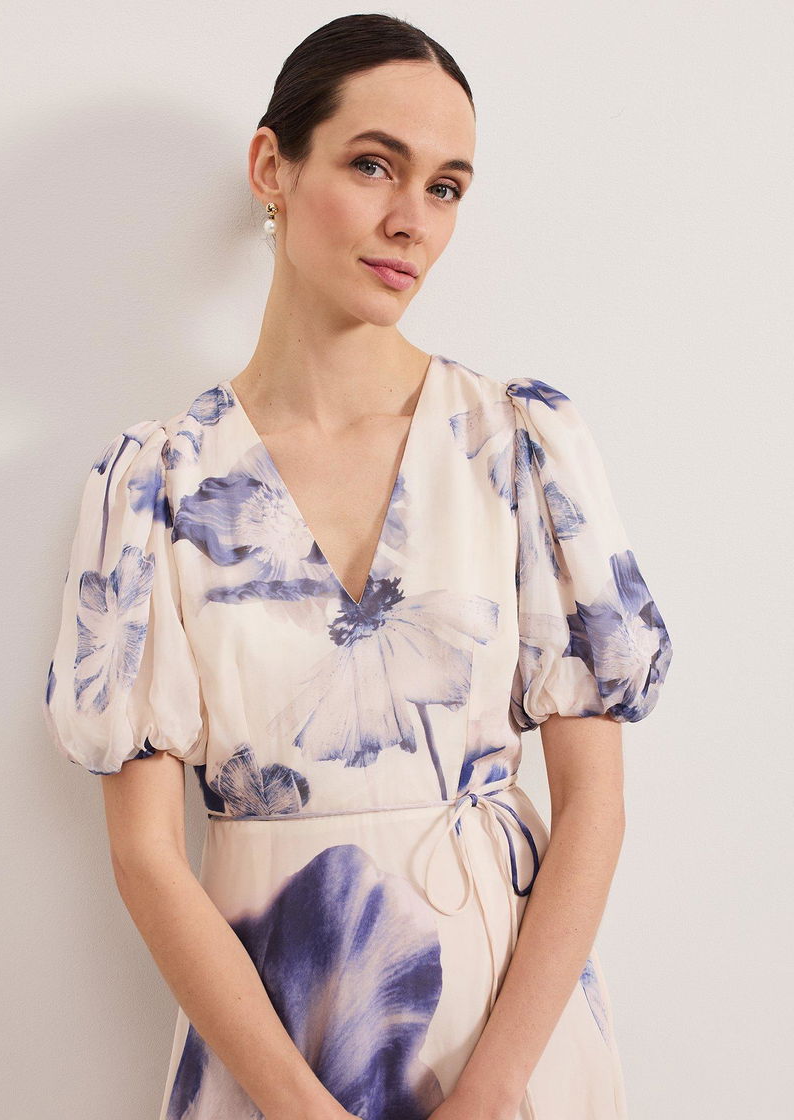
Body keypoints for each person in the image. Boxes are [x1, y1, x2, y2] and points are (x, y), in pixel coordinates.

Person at [41, 12, 673, 1120]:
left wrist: (494, 1088)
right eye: (374, 164)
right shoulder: (157, 489)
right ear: (271, 168)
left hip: (508, 1032)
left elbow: (594, 806)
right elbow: (145, 854)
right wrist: (295, 1105)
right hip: (271, 1038)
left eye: (445, 187)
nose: (410, 220)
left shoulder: (519, 446)